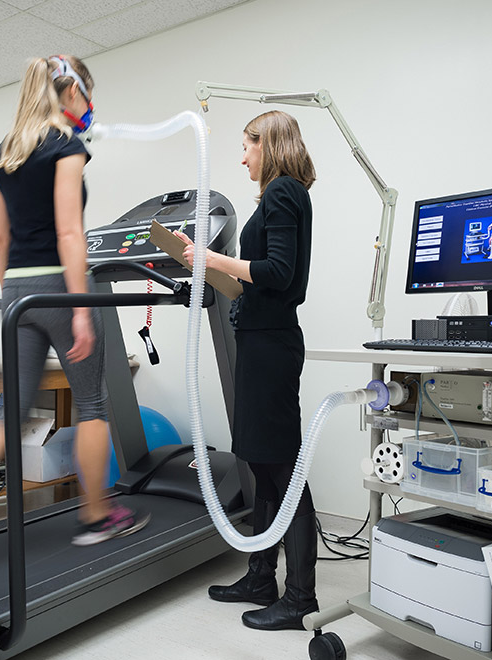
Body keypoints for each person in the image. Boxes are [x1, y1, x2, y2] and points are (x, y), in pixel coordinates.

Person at [0, 55, 149, 580]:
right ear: (70, 95)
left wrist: (15, 299)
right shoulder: (66, 145)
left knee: (7, 415)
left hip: (17, 291)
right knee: (91, 402)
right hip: (60, 287)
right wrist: (79, 309)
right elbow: (71, 233)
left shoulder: (6, 151)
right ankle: (96, 514)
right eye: (87, 95)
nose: (90, 107)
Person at [175, 110, 318, 631]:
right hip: (261, 341)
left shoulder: (283, 193)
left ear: (270, 145)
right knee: (262, 464)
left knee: (284, 470)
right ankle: (261, 574)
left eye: (248, 146)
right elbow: (268, 279)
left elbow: (279, 272)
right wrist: (218, 268)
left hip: (272, 347)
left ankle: (300, 597)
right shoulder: (283, 196)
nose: (242, 157)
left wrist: (212, 260)